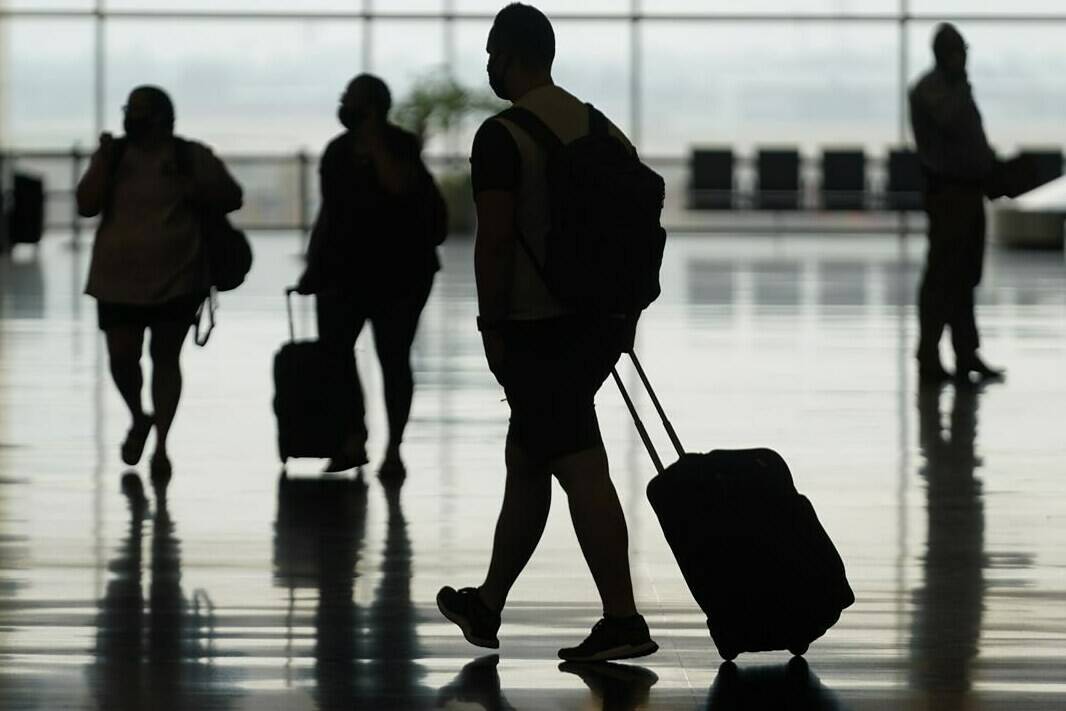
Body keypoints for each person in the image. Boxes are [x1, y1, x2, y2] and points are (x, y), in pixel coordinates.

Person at [436, 3, 658, 663]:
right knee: (530, 459)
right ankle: (487, 603)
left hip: (537, 326)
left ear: (511, 54)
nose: (486, 66)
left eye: (490, 54)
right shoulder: (602, 128)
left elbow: (494, 240)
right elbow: (640, 233)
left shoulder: (502, 136)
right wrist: (624, 322)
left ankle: (623, 618)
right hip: (597, 323)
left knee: (579, 463)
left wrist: (490, 324)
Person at [77, 86, 242, 484]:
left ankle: (162, 443)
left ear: (164, 119)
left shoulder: (190, 157)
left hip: (178, 277)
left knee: (165, 358)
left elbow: (232, 197)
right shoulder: (115, 157)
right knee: (122, 357)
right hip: (117, 279)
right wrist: (102, 161)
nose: (132, 120)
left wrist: (196, 190)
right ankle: (139, 415)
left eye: (140, 113)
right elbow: (86, 204)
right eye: (129, 111)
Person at [296, 74, 445, 480]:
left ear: (371, 107)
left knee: (392, 359)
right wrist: (315, 266)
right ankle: (353, 437)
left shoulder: (398, 147)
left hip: (399, 275)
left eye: (351, 99)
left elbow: (399, 188)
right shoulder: (339, 152)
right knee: (338, 355)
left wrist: (376, 143)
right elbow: (330, 213)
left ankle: (392, 447)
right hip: (347, 273)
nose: (343, 105)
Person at [909, 24, 1005, 384]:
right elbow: (949, 122)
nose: (963, 58)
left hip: (968, 192)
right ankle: (929, 354)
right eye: (957, 51)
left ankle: (966, 352)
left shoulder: (952, 88)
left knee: (964, 276)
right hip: (948, 194)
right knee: (942, 277)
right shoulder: (934, 90)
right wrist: (961, 83)